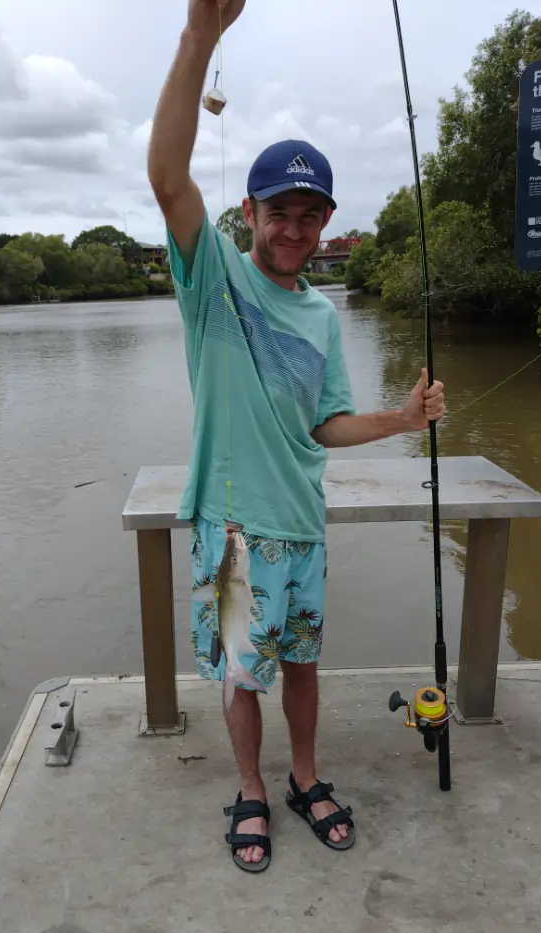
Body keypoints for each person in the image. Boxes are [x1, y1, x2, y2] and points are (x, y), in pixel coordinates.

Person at [147, 0, 446, 873]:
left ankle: (302, 777)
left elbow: (324, 422)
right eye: (282, 210)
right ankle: (249, 787)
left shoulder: (321, 317)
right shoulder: (215, 282)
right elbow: (167, 175)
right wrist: (202, 35)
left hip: (303, 527)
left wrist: (399, 419)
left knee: (304, 668)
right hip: (232, 530)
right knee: (245, 676)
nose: (297, 229)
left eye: (312, 215)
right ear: (249, 211)